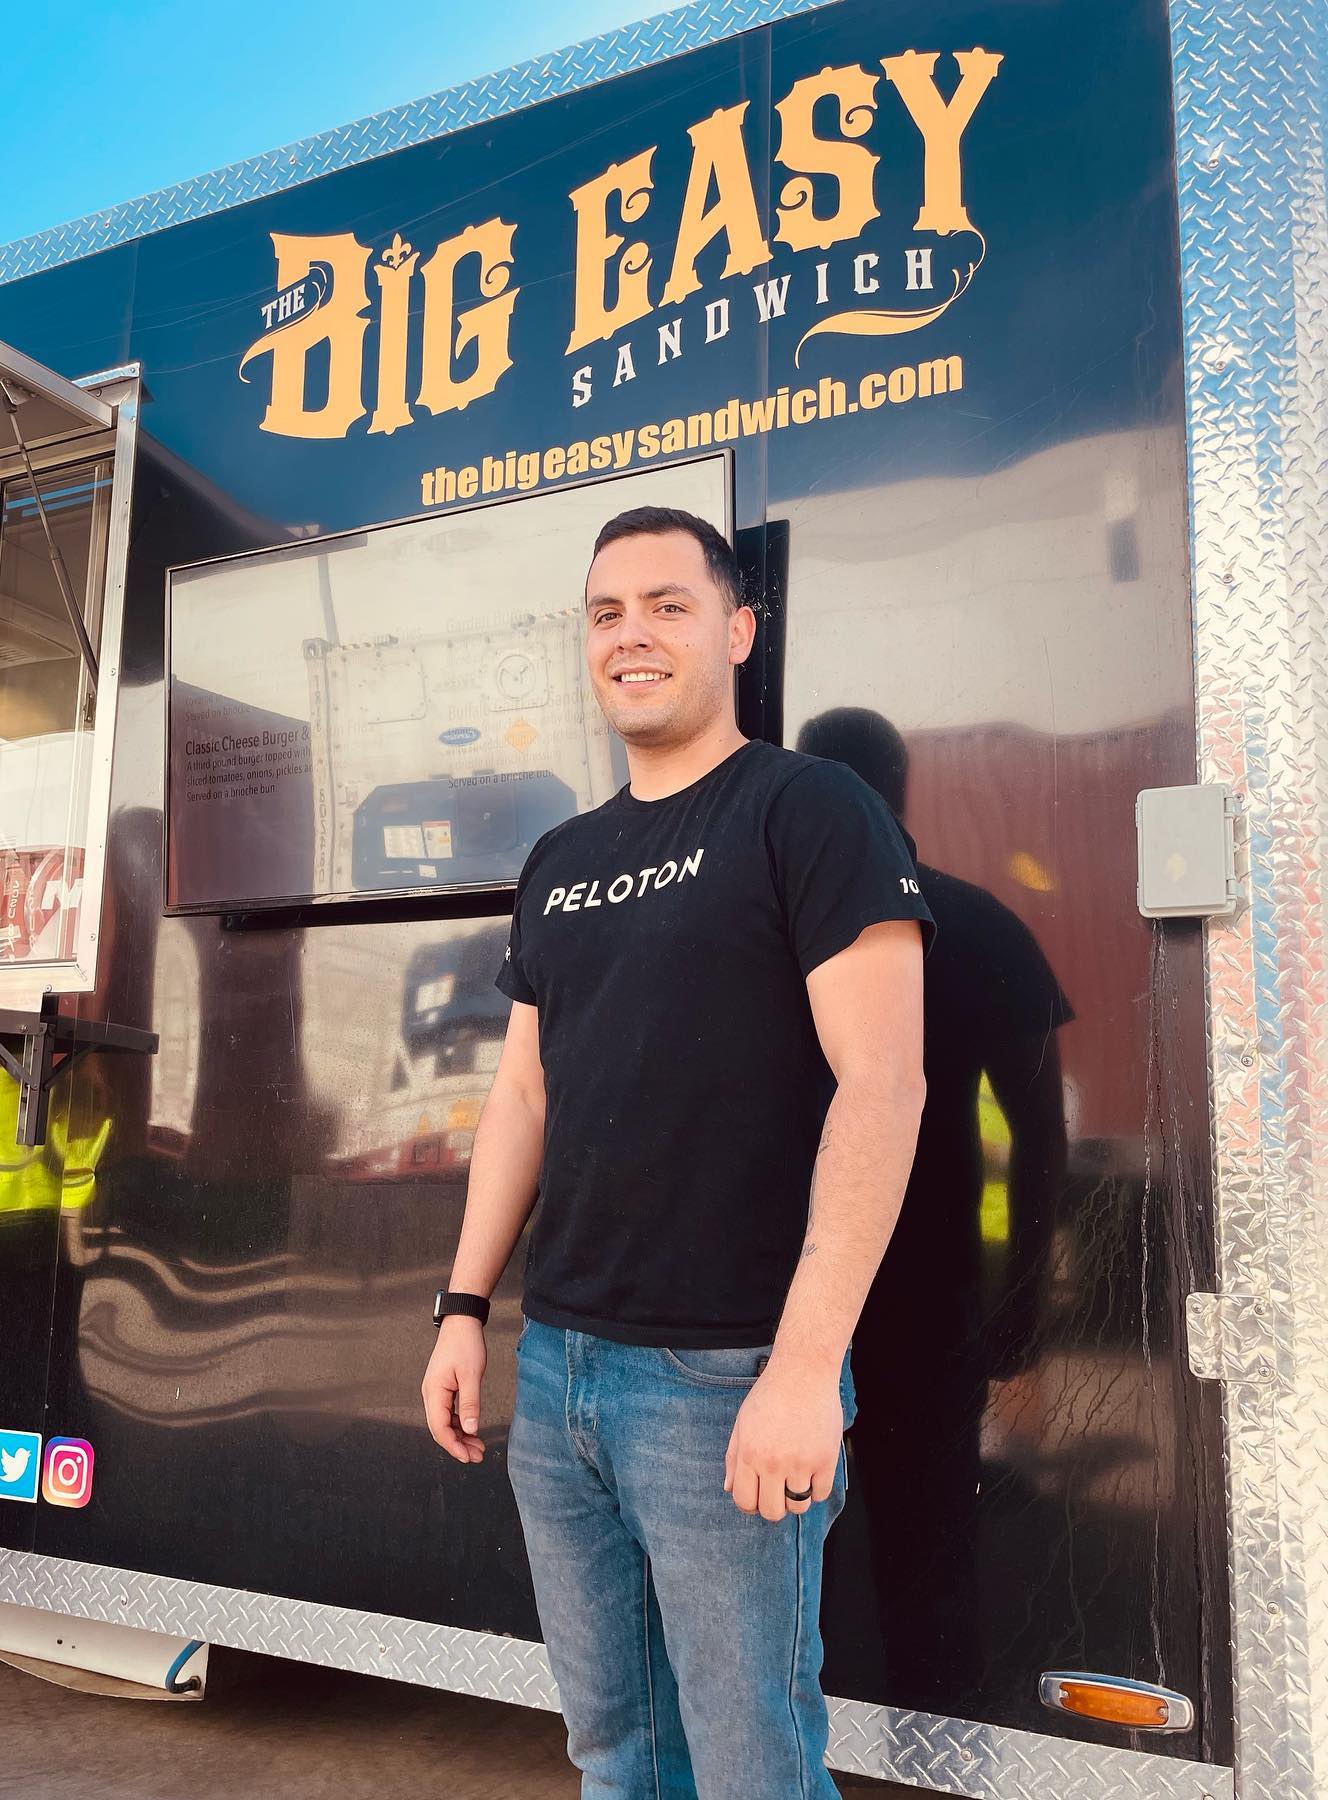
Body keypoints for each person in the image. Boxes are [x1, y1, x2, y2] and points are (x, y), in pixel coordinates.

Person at [420, 508, 933, 1799]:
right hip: (562, 1375)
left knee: (753, 1768)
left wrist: (805, 1369)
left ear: (739, 631)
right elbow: (523, 1097)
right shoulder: (560, 859)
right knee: (616, 1754)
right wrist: (464, 1307)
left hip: (725, 1378)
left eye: (668, 605)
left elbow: (885, 1086)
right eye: (607, 613)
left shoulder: (809, 811)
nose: (631, 635)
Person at [798, 707, 1070, 1717]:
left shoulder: (774, 930)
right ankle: (935, 1737)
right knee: (928, 1547)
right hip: (931, 1294)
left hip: (782, 1298)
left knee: (781, 1539)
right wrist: (1020, 1297)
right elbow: (1037, 1141)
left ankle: (801, 1736)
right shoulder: (980, 924)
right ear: (901, 787)